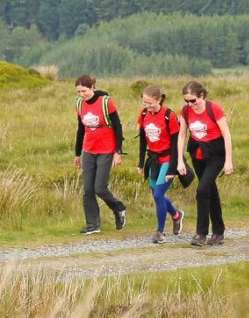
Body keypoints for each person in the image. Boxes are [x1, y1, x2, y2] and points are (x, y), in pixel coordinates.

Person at [177, 81, 233, 247]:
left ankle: (201, 233)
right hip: (197, 153)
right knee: (210, 190)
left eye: (193, 100)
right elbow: (181, 135)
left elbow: (226, 135)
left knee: (202, 190)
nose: (190, 104)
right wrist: (180, 160)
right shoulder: (186, 111)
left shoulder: (213, 108)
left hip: (216, 153)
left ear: (201, 95)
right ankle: (218, 232)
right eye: (186, 101)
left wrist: (228, 160)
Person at [73, 74, 128, 234]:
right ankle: (93, 225)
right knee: (88, 190)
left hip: (106, 150)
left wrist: (118, 152)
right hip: (89, 150)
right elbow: (80, 129)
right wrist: (77, 155)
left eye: (84, 91)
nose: (82, 95)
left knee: (100, 188)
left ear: (92, 88)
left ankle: (119, 208)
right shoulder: (79, 104)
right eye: (78, 92)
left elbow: (118, 127)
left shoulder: (105, 102)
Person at [136, 86, 185, 243]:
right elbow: (143, 140)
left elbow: (176, 143)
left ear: (158, 100)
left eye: (149, 102)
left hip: (168, 159)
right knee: (158, 196)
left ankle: (160, 232)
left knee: (158, 195)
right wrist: (141, 163)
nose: (147, 105)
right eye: (144, 102)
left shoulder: (169, 116)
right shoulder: (144, 114)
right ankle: (176, 215)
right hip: (153, 161)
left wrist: (173, 168)